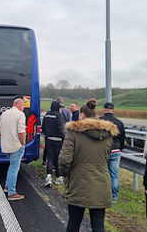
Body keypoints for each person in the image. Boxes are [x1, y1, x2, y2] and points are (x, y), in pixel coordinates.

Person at [59, 99, 118, 232]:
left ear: (82, 115)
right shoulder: (108, 134)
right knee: (98, 225)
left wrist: (64, 174)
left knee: (74, 222)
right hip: (101, 184)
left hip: (78, 182)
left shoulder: (73, 133)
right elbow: (107, 156)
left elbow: (64, 160)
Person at [0, 98, 26, 201]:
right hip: (16, 146)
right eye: (23, 106)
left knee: (11, 167)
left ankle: (7, 186)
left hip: (6, 146)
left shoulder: (4, 114)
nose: (23, 109)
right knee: (14, 169)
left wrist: (3, 143)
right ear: (20, 105)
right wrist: (23, 144)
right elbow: (21, 132)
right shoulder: (20, 115)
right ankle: (12, 193)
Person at [100, 102, 125, 202]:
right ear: (113, 110)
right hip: (116, 150)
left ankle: (103, 195)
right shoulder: (119, 122)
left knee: (102, 173)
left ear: (104, 109)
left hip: (103, 150)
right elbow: (122, 137)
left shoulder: (100, 121)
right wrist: (120, 148)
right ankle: (114, 197)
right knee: (114, 174)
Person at [42, 101, 65, 187]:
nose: (61, 109)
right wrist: (64, 137)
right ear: (57, 107)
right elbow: (60, 129)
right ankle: (58, 177)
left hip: (48, 139)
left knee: (50, 158)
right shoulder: (59, 116)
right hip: (58, 140)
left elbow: (43, 127)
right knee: (57, 158)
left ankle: (48, 177)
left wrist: (47, 134)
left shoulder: (46, 115)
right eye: (60, 108)